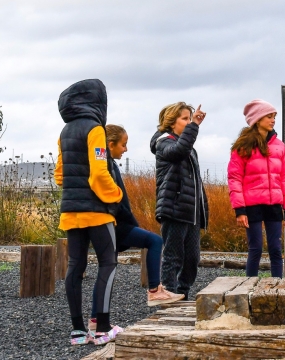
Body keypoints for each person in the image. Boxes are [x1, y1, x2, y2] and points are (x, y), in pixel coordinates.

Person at [87, 125, 184, 331]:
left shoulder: (107, 162)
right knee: (154, 240)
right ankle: (154, 290)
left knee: (107, 271)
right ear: (110, 144)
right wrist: (131, 223)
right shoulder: (105, 165)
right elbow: (116, 201)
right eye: (123, 145)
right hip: (114, 222)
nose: (126, 149)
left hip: (109, 223)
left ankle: (95, 320)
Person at [54, 79, 124, 345]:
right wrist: (115, 195)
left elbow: (59, 175)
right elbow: (98, 174)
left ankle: (78, 332)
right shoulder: (96, 129)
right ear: (96, 101)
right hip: (96, 211)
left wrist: (74, 185)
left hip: (70, 210)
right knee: (108, 263)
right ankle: (103, 329)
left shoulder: (65, 131)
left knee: (76, 267)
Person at [228, 99, 285, 277]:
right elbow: (234, 179)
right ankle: (248, 287)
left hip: (274, 204)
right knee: (255, 248)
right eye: (269, 116)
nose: (273, 120)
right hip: (252, 205)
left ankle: (278, 288)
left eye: (274, 116)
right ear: (257, 119)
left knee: (275, 249)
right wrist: (239, 210)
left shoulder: (280, 147)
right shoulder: (242, 147)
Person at [150, 102, 209, 300]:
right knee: (173, 256)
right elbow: (178, 151)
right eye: (184, 119)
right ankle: (168, 294)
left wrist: (202, 209)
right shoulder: (163, 142)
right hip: (173, 207)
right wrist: (194, 126)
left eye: (189, 118)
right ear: (171, 122)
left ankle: (182, 294)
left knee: (192, 259)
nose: (189, 122)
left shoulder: (191, 149)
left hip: (191, 212)